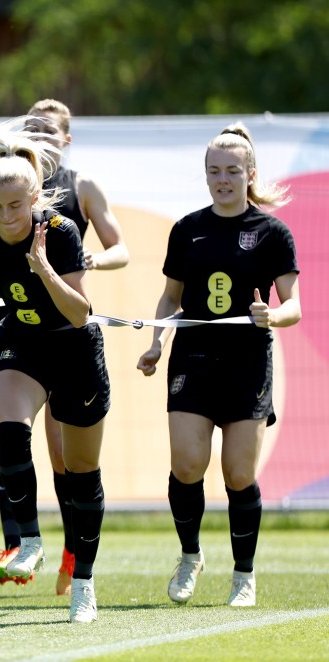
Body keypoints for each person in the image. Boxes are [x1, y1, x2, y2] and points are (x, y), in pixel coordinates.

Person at [137, 122, 300, 608]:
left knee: (237, 475)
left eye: (232, 171)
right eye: (214, 171)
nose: (222, 179)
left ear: (250, 174)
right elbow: (170, 298)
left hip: (247, 364)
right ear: (205, 175)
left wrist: (271, 315)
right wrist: (157, 340)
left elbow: (294, 307)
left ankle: (243, 574)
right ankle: (190, 555)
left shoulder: (272, 233)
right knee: (187, 465)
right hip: (194, 359)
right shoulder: (187, 230)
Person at [0, 118, 110, 623]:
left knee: (81, 471)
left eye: (16, 206)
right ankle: (29, 541)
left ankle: (83, 581)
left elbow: (79, 313)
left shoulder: (60, 233)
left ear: (36, 195)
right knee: (11, 431)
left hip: (73, 347)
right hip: (20, 342)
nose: (6, 216)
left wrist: (42, 267)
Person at [0, 99, 128, 597]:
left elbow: (120, 248)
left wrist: (92, 259)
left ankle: (73, 555)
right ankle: (20, 543)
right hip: (20, 328)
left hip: (68, 325)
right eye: (34, 130)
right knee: (13, 432)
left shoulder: (79, 188)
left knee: (65, 456)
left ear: (66, 140)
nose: (41, 138)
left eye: (51, 132)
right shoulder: (7, 183)